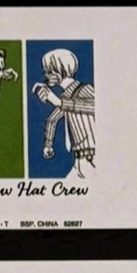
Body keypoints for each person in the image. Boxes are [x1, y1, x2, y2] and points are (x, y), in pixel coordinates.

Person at [32, 49, 95, 178]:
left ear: (61, 71)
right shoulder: (66, 97)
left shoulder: (84, 89)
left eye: (49, 71)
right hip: (79, 161)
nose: (46, 75)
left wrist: (57, 101)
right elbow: (52, 119)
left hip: (92, 158)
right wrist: (48, 145)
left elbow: (94, 106)